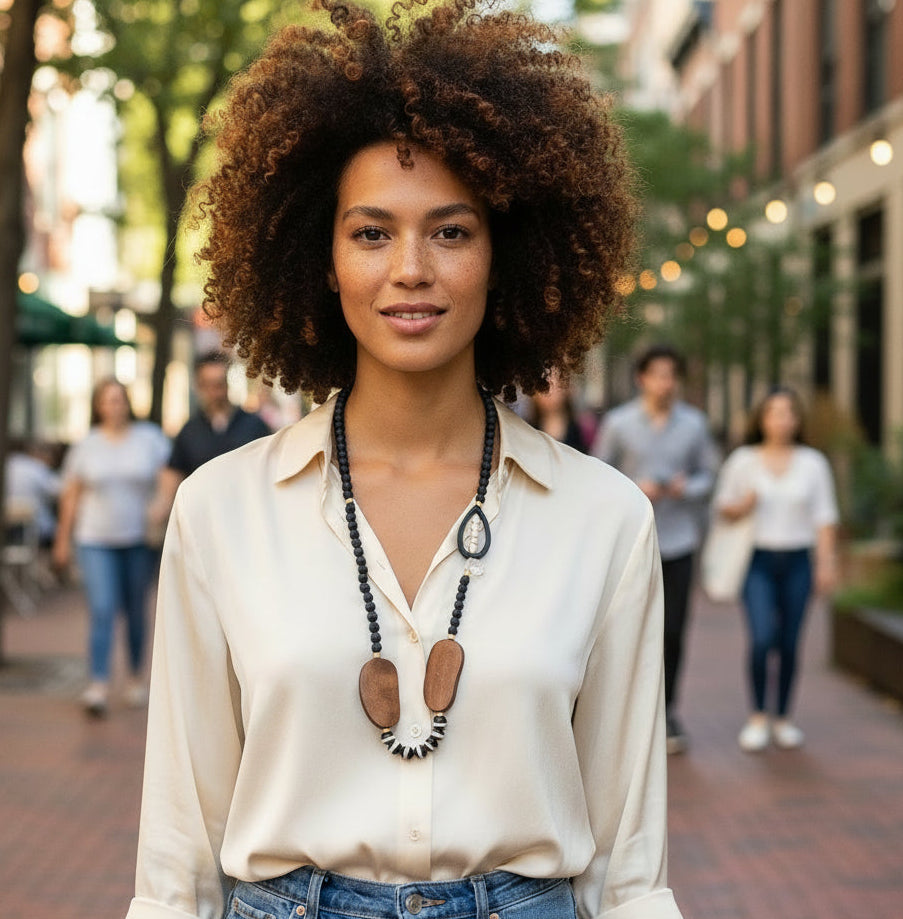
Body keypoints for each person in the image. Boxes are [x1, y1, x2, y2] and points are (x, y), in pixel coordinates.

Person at [126, 3, 682, 918]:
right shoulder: (221, 508)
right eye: (372, 232)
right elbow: (179, 855)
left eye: (451, 232)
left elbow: (628, 871)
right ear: (322, 258)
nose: (411, 268)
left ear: (505, 256)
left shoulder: (604, 516)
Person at [595, 344, 719, 754]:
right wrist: (634, 488)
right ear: (641, 378)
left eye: (671, 375)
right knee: (626, 629)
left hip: (680, 540)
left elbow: (709, 477)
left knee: (674, 630)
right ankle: (628, 715)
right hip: (633, 542)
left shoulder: (695, 424)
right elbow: (598, 475)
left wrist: (687, 488)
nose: (665, 383)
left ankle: (667, 713)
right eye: (658, 374)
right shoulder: (618, 423)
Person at [711, 387, 838, 752]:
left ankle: (782, 717)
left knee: (790, 643)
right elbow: (722, 507)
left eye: (788, 412)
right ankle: (757, 717)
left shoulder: (814, 463)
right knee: (763, 638)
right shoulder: (743, 461)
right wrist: (743, 506)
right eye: (774, 411)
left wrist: (825, 565)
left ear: (798, 420)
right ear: (761, 418)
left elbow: (825, 519)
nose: (782, 419)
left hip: (798, 560)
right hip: (758, 562)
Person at [53, 378, 170, 716]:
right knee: (103, 608)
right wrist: (62, 541)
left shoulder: (149, 439)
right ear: (98, 406)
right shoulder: (86, 446)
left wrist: (161, 502)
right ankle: (98, 685)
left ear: (127, 403)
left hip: (137, 540)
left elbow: (168, 475)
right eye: (107, 401)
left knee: (136, 611)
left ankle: (135, 677)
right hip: (94, 540)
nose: (114, 406)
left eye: (119, 400)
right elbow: (71, 496)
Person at [150, 351, 271, 524]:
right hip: (203, 521)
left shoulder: (255, 425)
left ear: (228, 384)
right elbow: (174, 472)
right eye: (208, 385)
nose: (215, 393)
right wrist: (161, 507)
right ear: (199, 386)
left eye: (219, 384)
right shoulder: (189, 430)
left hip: (247, 518)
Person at [4, 438, 62, 546]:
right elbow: (60, 493)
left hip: (5, 530)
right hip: (37, 532)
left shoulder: (4, 466)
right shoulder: (36, 468)